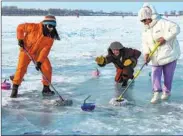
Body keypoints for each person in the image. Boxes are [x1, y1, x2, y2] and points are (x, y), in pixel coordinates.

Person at [138, 3, 181, 104]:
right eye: (142, 21)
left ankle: (166, 92)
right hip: (155, 57)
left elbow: (176, 28)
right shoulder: (145, 29)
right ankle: (156, 92)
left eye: (145, 20)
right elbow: (145, 44)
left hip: (169, 54)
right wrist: (146, 53)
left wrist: (165, 38)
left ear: (149, 17)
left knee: (168, 76)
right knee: (155, 74)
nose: (144, 22)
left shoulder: (163, 23)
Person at [10, 15, 60, 98]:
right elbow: (20, 28)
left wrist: (39, 62)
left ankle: (46, 88)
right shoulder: (33, 27)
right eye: (50, 26)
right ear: (45, 24)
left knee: (47, 68)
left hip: (38, 53)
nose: (51, 28)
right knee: (21, 69)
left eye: (53, 26)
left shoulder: (50, 36)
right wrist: (20, 39)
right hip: (26, 51)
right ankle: (15, 88)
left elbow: (45, 50)